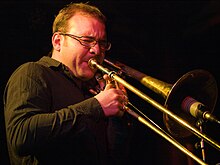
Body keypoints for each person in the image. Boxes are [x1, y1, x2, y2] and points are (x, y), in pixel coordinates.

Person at [3, 2, 133, 165]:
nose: (97, 51)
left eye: (102, 43)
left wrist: (117, 118)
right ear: (58, 41)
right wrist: (96, 107)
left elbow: (115, 158)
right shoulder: (33, 72)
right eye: (87, 40)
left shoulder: (91, 90)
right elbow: (20, 136)